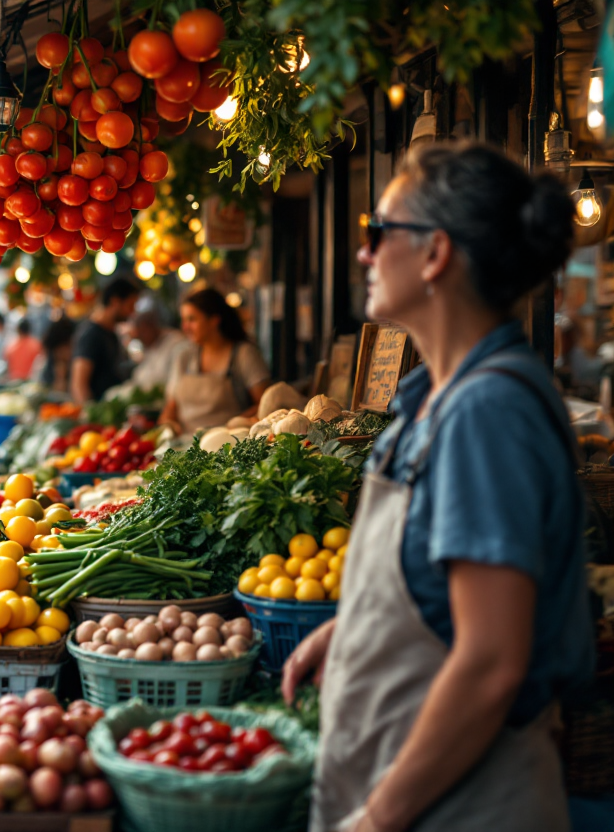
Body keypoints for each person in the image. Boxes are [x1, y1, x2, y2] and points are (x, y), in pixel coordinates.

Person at [281, 143, 592, 832]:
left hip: (460, 807)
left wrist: (375, 820)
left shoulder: (488, 414)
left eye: (377, 232)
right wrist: (355, 628)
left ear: (434, 254)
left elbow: (489, 663)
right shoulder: (433, 399)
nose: (363, 254)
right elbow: (446, 596)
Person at [159, 289, 269, 434]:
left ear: (214, 320)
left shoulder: (243, 354)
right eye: (183, 320)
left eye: (192, 319)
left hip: (230, 444)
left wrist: (231, 427)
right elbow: (171, 407)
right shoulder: (184, 356)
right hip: (186, 445)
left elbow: (265, 404)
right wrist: (168, 427)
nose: (185, 327)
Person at [71, 278, 140, 403]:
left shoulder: (111, 333)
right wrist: (92, 415)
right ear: (115, 302)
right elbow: (79, 384)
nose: (132, 312)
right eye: (130, 305)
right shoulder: (91, 334)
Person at [129, 309, 187, 391]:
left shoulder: (176, 341)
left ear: (152, 327)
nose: (141, 338)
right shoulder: (149, 345)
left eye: (142, 333)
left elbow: (165, 377)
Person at [33, 316, 77, 394]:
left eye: (61, 350)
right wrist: (60, 378)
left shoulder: (79, 362)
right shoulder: (50, 364)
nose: (59, 355)